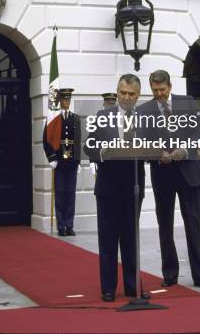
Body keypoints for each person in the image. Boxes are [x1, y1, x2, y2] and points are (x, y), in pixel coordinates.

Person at [137, 70, 200, 290]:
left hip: (189, 172)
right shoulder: (144, 110)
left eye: (162, 90)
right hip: (162, 174)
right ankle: (170, 274)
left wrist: (185, 150)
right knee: (165, 227)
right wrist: (156, 153)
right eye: (154, 90)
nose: (159, 94)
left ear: (170, 86)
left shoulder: (187, 103)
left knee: (193, 226)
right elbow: (142, 142)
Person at [84, 74, 146, 302]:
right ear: (117, 92)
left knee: (131, 240)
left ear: (138, 95)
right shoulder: (102, 116)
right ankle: (108, 288)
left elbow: (156, 146)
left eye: (131, 94)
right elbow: (88, 146)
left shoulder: (145, 118)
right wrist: (103, 152)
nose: (126, 97)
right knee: (108, 240)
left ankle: (132, 287)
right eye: (122, 92)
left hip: (133, 187)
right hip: (108, 188)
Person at [43, 88, 81, 237]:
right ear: (60, 101)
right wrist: (51, 158)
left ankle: (69, 225)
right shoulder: (53, 120)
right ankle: (60, 226)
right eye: (64, 100)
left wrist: (78, 161)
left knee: (71, 194)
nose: (66, 102)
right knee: (60, 195)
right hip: (59, 162)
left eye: (68, 100)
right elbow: (46, 140)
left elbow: (78, 141)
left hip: (71, 162)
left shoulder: (75, 118)